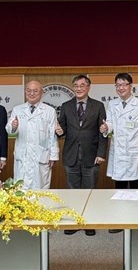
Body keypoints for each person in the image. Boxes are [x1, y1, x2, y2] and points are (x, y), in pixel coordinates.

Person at [56, 75, 108, 236]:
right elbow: (62, 129)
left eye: (82, 85)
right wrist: (59, 132)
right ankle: (73, 223)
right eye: (76, 85)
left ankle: (88, 223)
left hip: (91, 156)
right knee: (72, 191)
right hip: (70, 155)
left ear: (88, 87)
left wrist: (101, 153)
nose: (78, 88)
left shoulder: (98, 106)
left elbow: (103, 132)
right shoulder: (65, 106)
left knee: (90, 191)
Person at [100, 73, 138, 234]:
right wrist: (106, 128)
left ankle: (137, 221)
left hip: (136, 152)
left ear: (131, 86)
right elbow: (110, 123)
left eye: (124, 84)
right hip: (119, 151)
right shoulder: (112, 104)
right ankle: (119, 220)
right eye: (118, 85)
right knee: (120, 187)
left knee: (136, 186)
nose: (121, 88)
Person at [8, 81, 59, 190]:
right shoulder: (17, 109)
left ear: (41, 93)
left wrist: (53, 156)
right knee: (20, 187)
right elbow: (9, 131)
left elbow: (52, 135)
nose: (31, 93)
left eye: (35, 91)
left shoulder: (49, 111)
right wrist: (14, 126)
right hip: (23, 155)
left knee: (41, 187)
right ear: (25, 92)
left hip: (41, 156)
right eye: (29, 91)